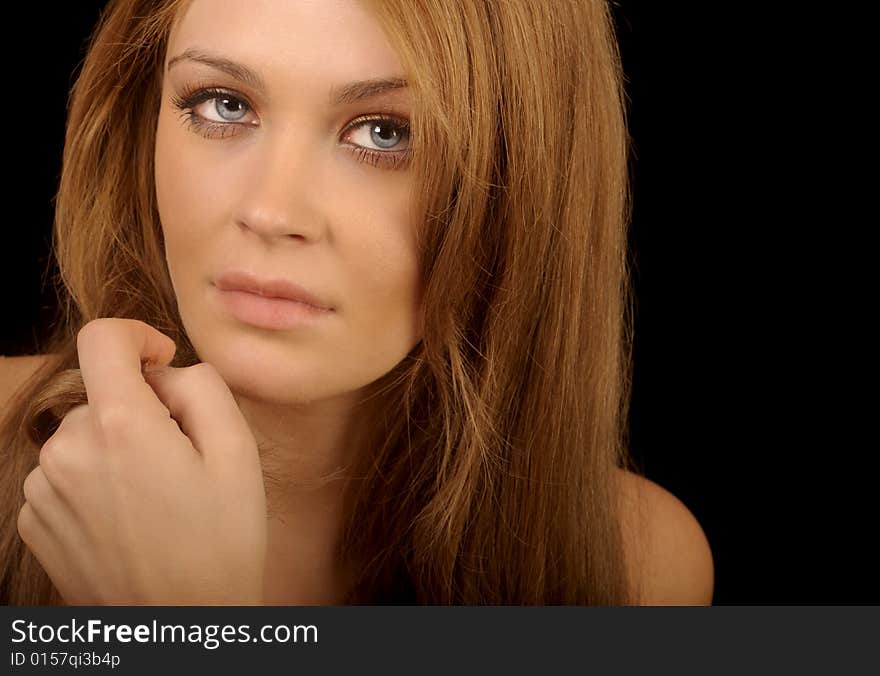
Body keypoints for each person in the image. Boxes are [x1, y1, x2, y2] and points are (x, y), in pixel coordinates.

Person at [0, 0, 713, 605]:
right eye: (224, 104)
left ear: (523, 182)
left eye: (385, 133)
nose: (271, 211)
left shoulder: (639, 568)